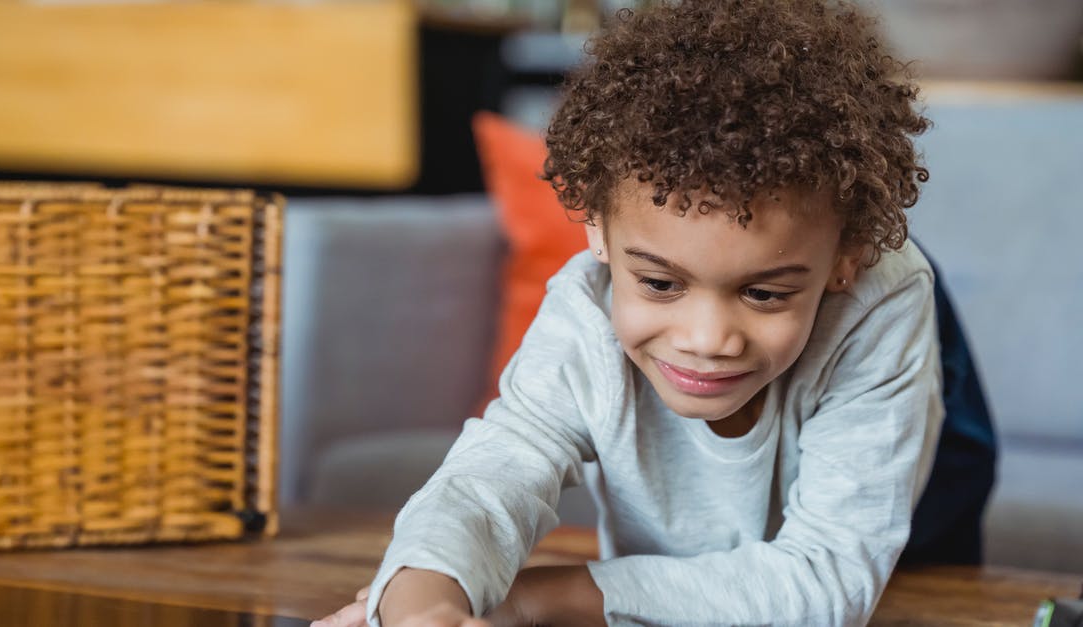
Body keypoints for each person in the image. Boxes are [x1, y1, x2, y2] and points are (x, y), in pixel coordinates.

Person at [315, 0, 941, 624]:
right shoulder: (584, 311)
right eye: (661, 284)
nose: (707, 339)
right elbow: (494, 473)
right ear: (595, 228)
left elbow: (828, 582)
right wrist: (422, 601)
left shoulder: (876, 304)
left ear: (847, 257)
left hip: (908, 512)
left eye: (763, 294)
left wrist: (532, 600)